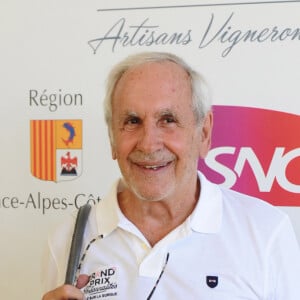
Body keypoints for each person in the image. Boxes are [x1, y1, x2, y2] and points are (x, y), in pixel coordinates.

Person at [41, 51, 300, 300]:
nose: (148, 144)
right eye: (132, 121)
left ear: (204, 133)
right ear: (112, 138)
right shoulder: (68, 240)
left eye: (168, 120)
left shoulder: (266, 233)